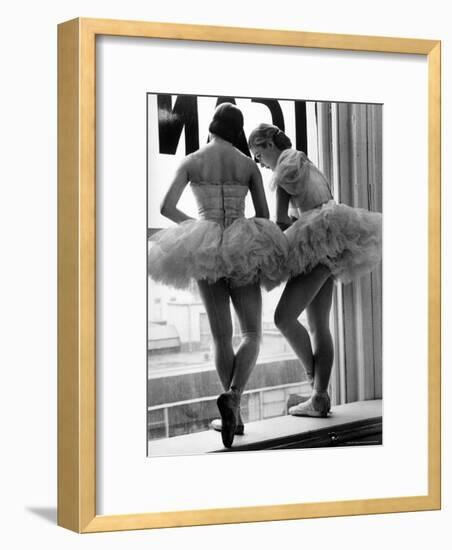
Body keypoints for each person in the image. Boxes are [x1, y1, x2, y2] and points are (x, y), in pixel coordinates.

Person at [148, 105, 288, 447]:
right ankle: (235, 399)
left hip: (206, 246)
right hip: (242, 245)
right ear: (237, 130)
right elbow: (265, 214)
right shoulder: (245, 163)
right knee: (253, 333)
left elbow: (165, 208)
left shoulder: (192, 160)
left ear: (211, 127)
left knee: (220, 338)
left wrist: (199, 229)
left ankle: (234, 414)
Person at [248, 123, 382, 417]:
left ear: (269, 145)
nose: (260, 163)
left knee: (282, 318)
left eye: (259, 156)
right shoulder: (305, 161)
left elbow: (282, 220)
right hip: (334, 241)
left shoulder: (284, 168)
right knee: (319, 325)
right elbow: (320, 202)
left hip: (316, 244)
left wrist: (259, 234)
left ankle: (312, 376)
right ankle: (319, 398)